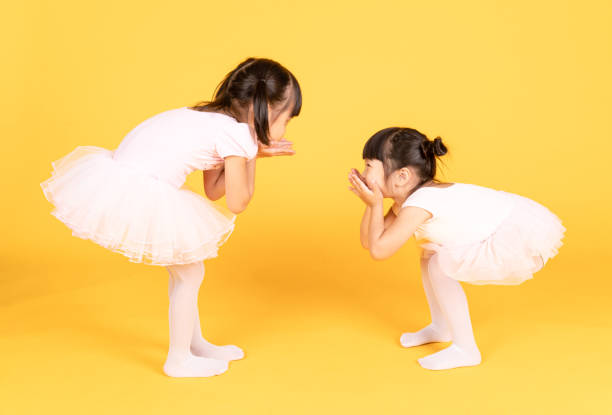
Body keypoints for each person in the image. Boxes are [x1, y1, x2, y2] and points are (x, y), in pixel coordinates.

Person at [41, 57, 302, 377]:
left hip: (122, 178)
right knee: (190, 274)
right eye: (287, 118)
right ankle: (179, 359)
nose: (286, 128)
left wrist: (249, 151)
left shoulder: (212, 118)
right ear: (265, 110)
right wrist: (251, 153)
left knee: (188, 272)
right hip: (140, 190)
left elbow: (213, 189)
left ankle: (194, 344)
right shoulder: (236, 136)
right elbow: (237, 202)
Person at [348, 127, 565, 370]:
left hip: (516, 235)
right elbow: (369, 241)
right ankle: (442, 327)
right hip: (497, 225)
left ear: (402, 176)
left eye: (369, 165)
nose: (363, 173)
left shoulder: (420, 203)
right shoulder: (409, 199)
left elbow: (379, 251)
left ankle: (466, 349)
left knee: (439, 266)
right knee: (429, 253)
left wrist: (375, 205)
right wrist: (371, 205)